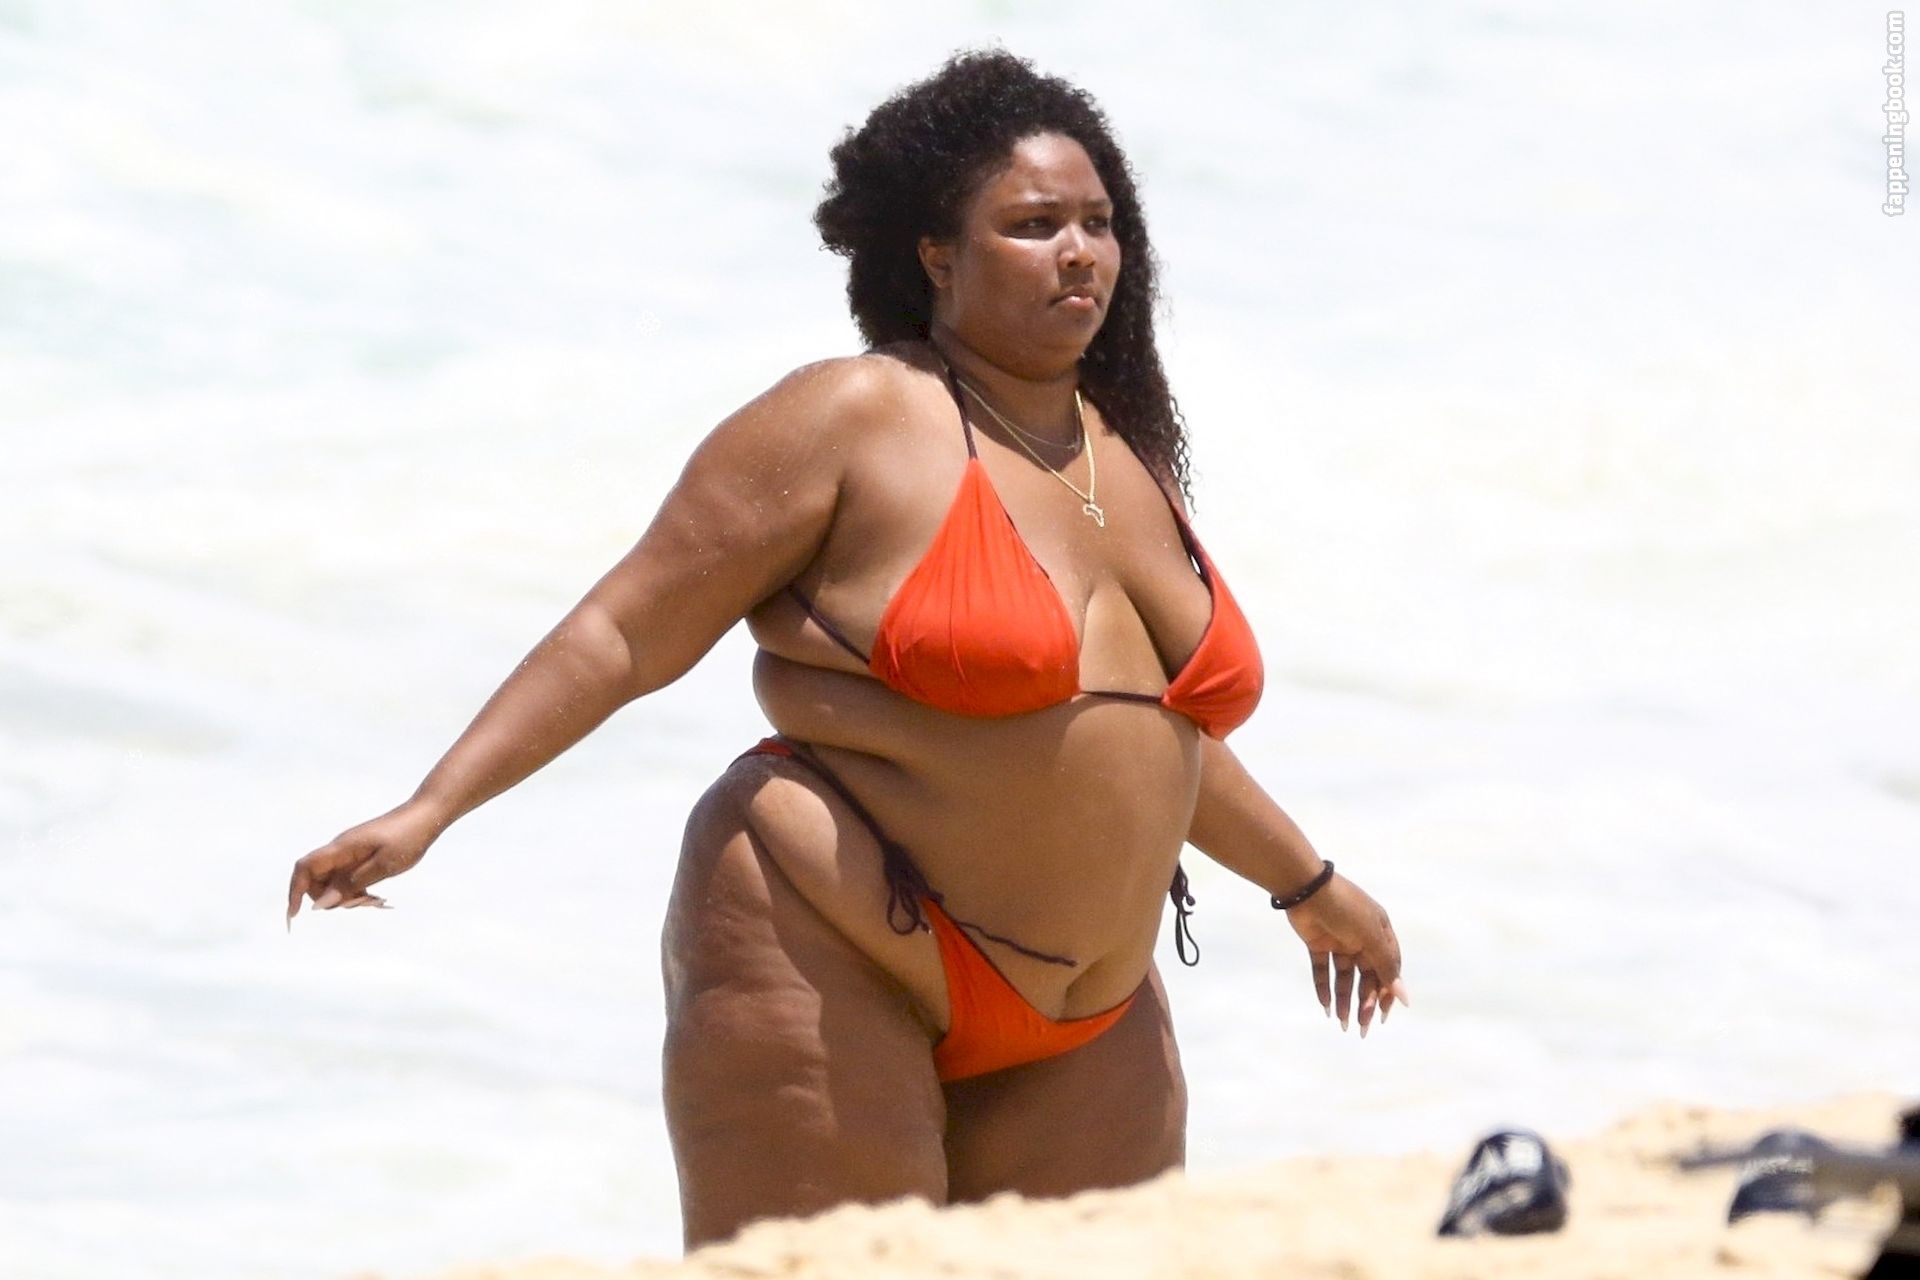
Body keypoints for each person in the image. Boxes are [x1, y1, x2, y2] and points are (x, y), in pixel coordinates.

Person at [284, 47, 1409, 1251]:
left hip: (1091, 1005)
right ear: (938, 256)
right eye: (1034, 225)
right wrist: (432, 807)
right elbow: (624, 631)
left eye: (1099, 223)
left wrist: (1307, 883)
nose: (1080, 251)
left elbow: (1147, 731)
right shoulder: (852, 416)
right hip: (831, 937)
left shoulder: (1122, 454)